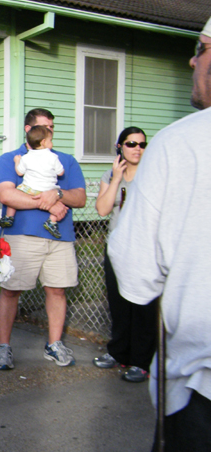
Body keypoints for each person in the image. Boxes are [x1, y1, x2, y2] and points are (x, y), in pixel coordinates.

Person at [108, 17, 211, 452]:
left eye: (200, 48)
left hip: (202, 397)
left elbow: (136, 273)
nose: (192, 61)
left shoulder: (183, 143)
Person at [0, 108, 86, 370]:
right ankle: (4, 347)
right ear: (28, 129)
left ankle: (54, 345)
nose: (50, 131)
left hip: (60, 238)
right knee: (11, 290)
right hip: (21, 236)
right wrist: (50, 204)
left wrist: (56, 193)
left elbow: (79, 198)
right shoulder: (11, 159)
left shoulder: (65, 160)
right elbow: (8, 196)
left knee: (57, 290)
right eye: (45, 126)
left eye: (52, 127)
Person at [93, 127, 157, 383]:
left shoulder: (153, 175)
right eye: (132, 144)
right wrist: (117, 178)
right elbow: (102, 209)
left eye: (142, 144)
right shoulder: (110, 175)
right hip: (118, 249)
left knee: (143, 307)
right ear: (120, 147)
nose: (138, 148)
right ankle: (119, 352)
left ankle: (142, 361)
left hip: (146, 250)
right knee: (119, 305)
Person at [0, 125, 65, 239]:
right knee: (60, 204)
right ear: (43, 142)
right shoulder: (53, 157)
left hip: (29, 189)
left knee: (15, 197)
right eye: (50, 141)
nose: (52, 143)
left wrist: (17, 161)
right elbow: (60, 172)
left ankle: (9, 216)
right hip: (48, 191)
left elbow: (19, 172)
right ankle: (51, 222)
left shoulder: (26, 157)